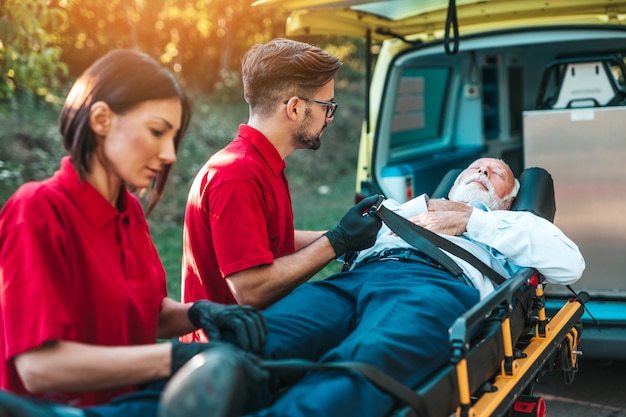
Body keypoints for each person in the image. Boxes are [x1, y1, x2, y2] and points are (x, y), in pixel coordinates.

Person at [161, 157, 586, 417]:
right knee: (248, 338)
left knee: (359, 362)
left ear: (509, 197)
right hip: (354, 280)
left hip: (434, 287)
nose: (482, 172)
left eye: (496, 174)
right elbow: (334, 235)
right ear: (455, 180)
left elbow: (571, 264)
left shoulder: (514, 224)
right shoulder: (405, 208)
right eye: (476, 168)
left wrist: (471, 220)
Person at [0, 49, 268, 417]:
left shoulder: (129, 213)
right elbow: (39, 368)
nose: (170, 154)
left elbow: (148, 313)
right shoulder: (37, 210)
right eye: (157, 131)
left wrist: (202, 314)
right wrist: (175, 356)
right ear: (101, 119)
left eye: (174, 138)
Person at [180, 38, 383, 328]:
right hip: (228, 356)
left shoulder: (259, 163)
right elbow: (251, 289)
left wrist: (351, 237)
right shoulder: (237, 174)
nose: (329, 117)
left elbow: (269, 242)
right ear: (295, 108)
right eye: (327, 106)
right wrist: (336, 241)